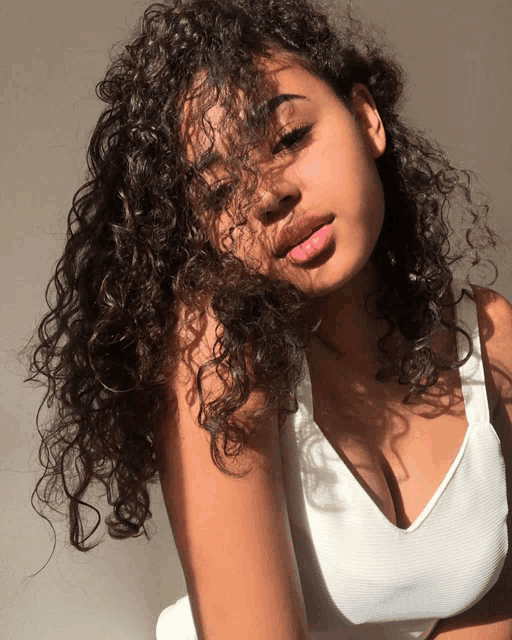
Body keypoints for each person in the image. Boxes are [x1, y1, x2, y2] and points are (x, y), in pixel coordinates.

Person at [23, 0, 512, 638]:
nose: (267, 194)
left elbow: (487, 608)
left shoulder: (491, 338)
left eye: (289, 138)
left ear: (366, 119)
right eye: (221, 191)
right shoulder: (220, 359)